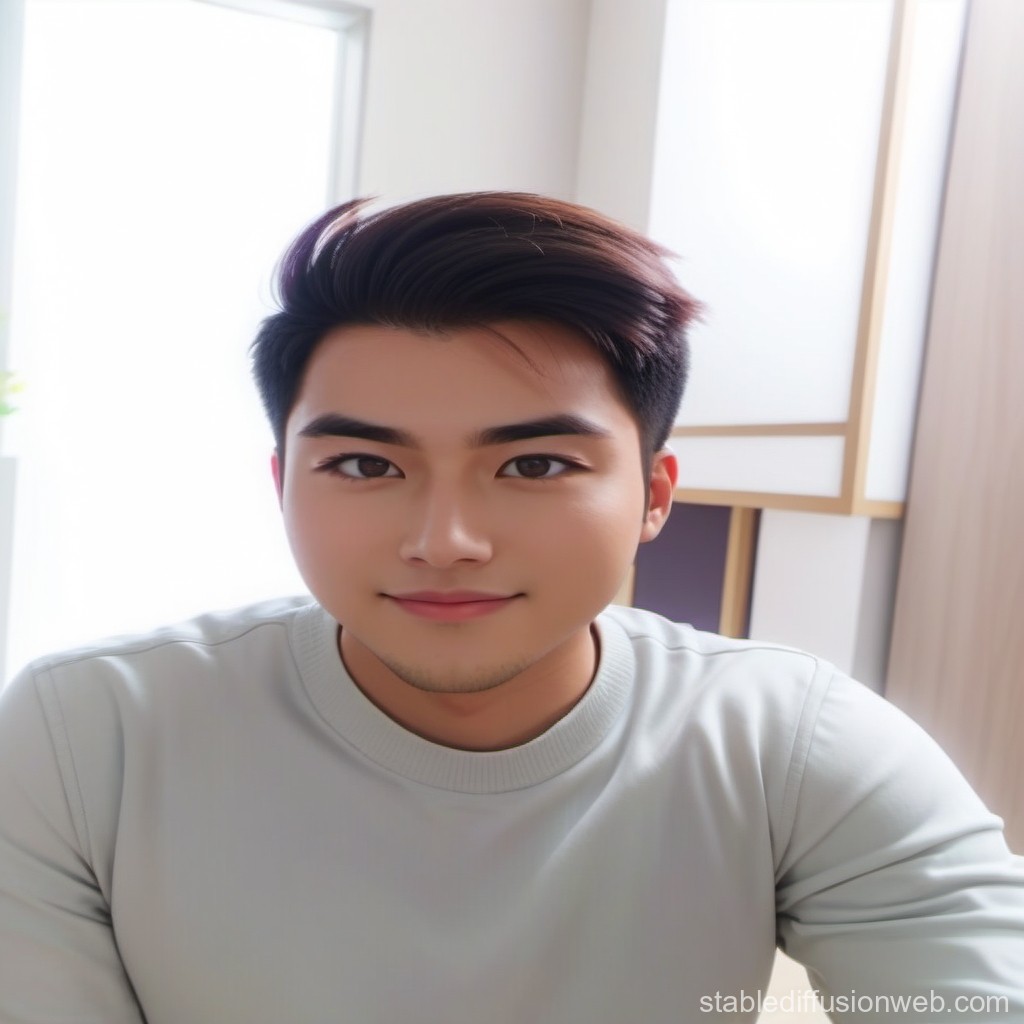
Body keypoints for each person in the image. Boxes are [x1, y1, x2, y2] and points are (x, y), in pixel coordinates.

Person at [0, 192, 1021, 1023]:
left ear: (655, 494)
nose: (445, 538)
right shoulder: (87, 734)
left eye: (534, 463)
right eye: (364, 463)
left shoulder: (788, 743)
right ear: (282, 485)